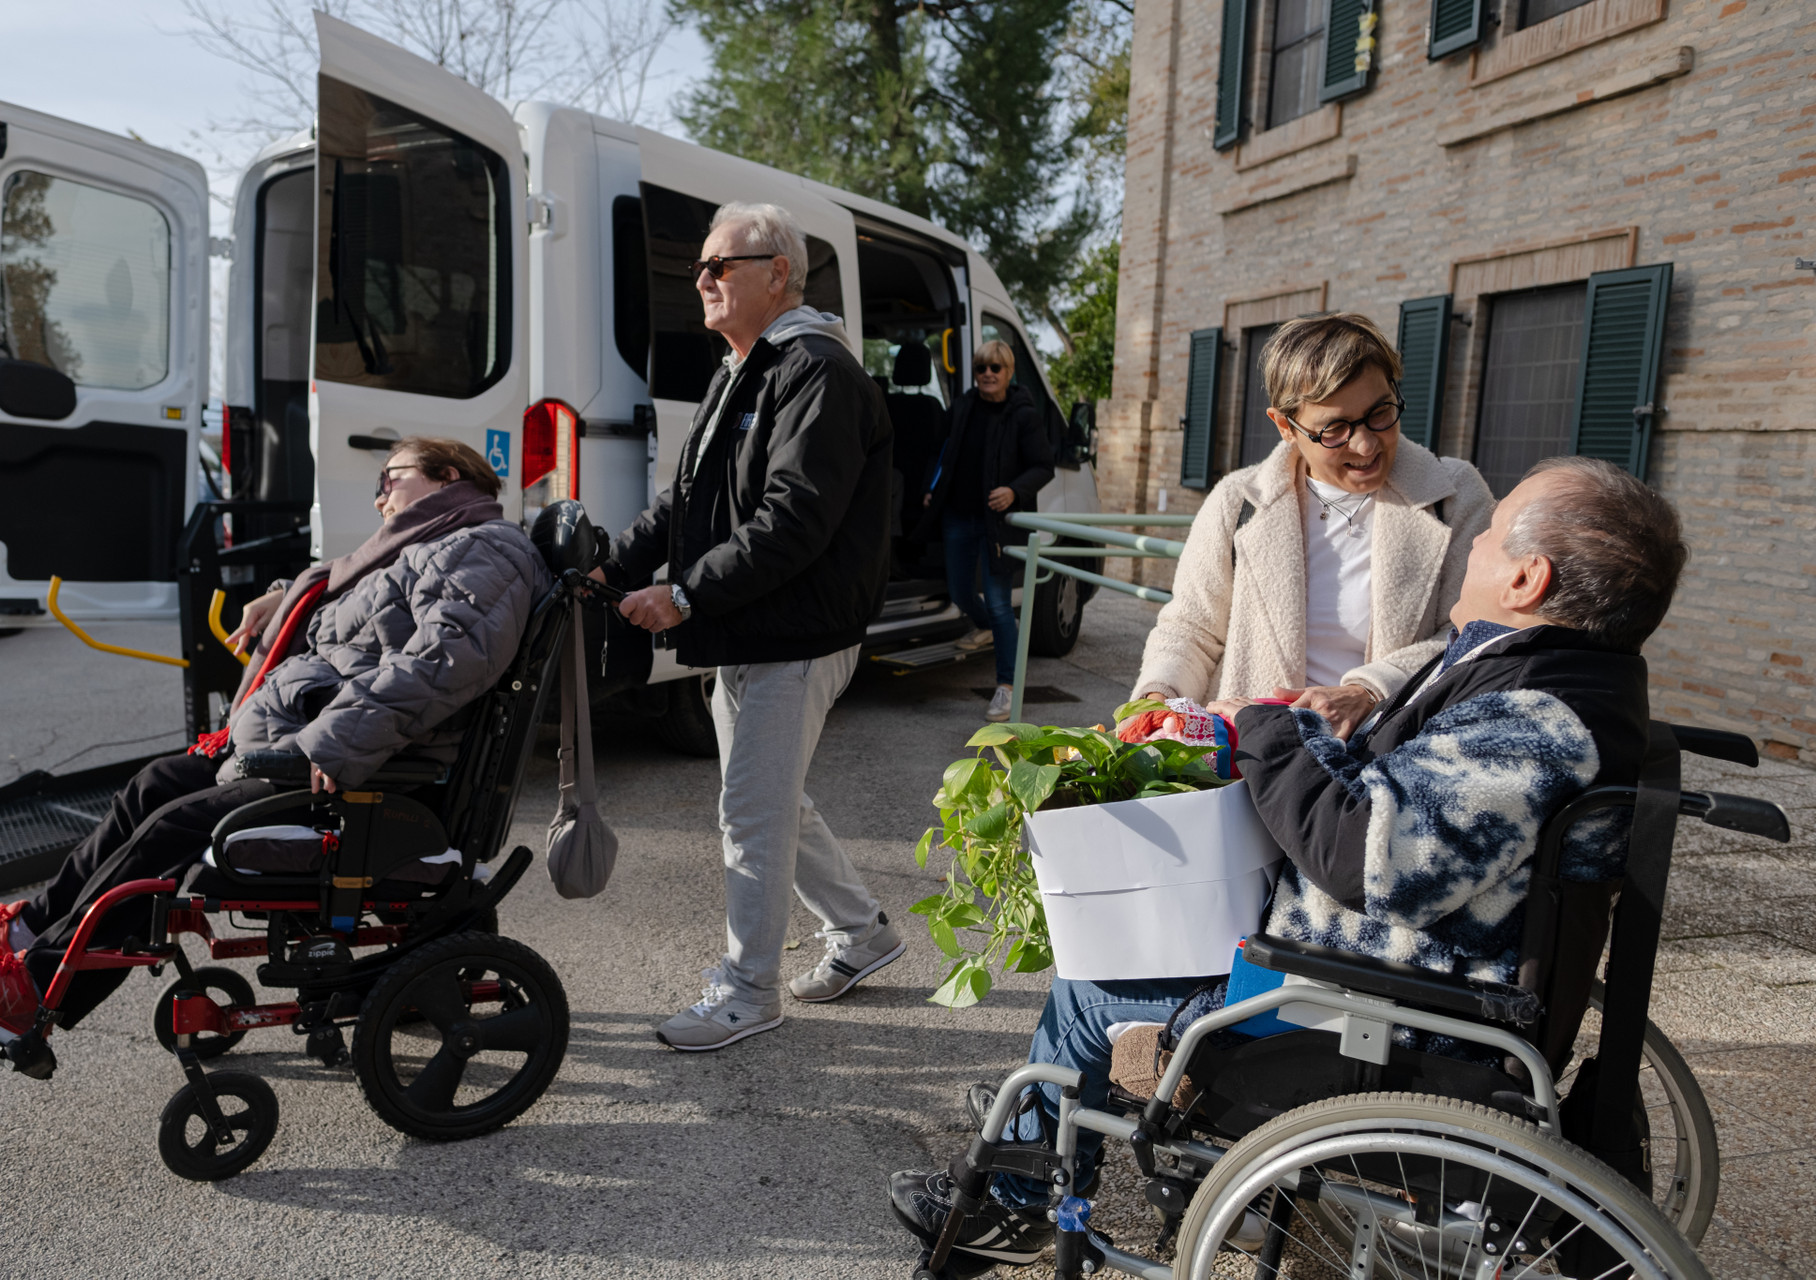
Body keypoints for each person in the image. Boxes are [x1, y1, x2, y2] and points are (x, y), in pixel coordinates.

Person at [889, 455, 1689, 1268]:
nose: (1472, 541)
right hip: (1381, 976)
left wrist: (1267, 732)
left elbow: (1374, 863)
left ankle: (1021, 1204)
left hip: (1373, 1018)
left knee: (1092, 980)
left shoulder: (1538, 721)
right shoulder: (1539, 675)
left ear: (1527, 578)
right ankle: (1053, 1114)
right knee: (1134, 931)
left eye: (1487, 531)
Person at [0, 438, 541, 1044]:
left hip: (371, 772)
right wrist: (282, 597)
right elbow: (358, 625)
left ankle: (32, 992)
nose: (380, 498)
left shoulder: (484, 549)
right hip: (329, 745)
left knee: (176, 826)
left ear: (448, 476)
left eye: (390, 478)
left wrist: (337, 741)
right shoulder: (426, 546)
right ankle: (30, 927)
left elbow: (440, 664)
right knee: (156, 784)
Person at [593, 201, 902, 1052]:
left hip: (795, 634)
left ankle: (747, 991)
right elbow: (686, 501)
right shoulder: (745, 370)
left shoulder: (818, 373)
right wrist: (615, 567)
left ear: (780, 275)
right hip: (758, 625)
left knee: (753, 815)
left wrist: (684, 595)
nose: (702, 281)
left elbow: (793, 519)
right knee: (771, 803)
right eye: (701, 267)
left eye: (722, 265)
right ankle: (865, 932)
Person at [1135, 313, 1496, 740]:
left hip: (1391, 762)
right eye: (1335, 429)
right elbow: (1191, 629)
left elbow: (1481, 633)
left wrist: (1370, 690)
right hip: (1249, 759)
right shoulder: (1236, 502)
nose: (1365, 444)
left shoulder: (1455, 497)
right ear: (1285, 426)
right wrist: (1156, 699)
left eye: (1380, 412)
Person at [914, 340, 1055, 722]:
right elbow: (942, 453)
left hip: (998, 524)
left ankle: (1006, 687)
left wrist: (1014, 490)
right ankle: (985, 628)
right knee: (959, 591)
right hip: (957, 516)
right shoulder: (961, 406)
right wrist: (932, 487)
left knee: (998, 604)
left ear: (1009, 373)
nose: (988, 374)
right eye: (981, 368)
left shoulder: (1023, 414)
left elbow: (1044, 466)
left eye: (996, 368)